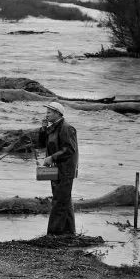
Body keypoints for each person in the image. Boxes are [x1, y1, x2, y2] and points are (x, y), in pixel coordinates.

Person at [38, 101, 79, 235]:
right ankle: (69, 232)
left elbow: (69, 149)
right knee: (63, 200)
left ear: (57, 113)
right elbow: (41, 144)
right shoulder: (53, 127)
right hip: (56, 169)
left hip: (65, 170)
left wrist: (52, 158)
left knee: (59, 201)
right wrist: (43, 129)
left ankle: (53, 234)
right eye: (46, 112)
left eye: (49, 112)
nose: (46, 115)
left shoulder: (67, 128)